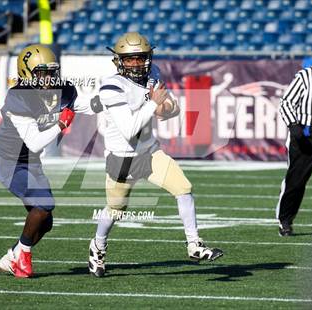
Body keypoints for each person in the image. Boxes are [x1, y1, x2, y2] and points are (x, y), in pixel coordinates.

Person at [88, 32, 223, 277]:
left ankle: (194, 244)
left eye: (140, 58)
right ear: (119, 61)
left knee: (183, 188)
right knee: (116, 210)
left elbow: (171, 108)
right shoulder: (111, 86)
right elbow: (129, 128)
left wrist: (164, 107)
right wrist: (152, 104)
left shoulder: (154, 74)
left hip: (150, 152)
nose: (136, 64)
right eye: (129, 59)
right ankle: (98, 244)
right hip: (122, 157)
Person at [0, 44, 92, 278]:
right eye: (41, 73)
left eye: (51, 72)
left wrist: (121, 101)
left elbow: (88, 105)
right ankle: (23, 258)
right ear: (27, 74)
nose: (48, 79)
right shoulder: (18, 96)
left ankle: (13, 256)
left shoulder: (60, 91)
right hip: (10, 162)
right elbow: (35, 142)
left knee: (45, 221)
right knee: (43, 204)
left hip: (32, 162)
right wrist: (61, 123)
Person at [277, 65, 312, 236]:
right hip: (306, 133)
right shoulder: (306, 76)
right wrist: (293, 125)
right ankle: (285, 219)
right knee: (297, 180)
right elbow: (286, 102)